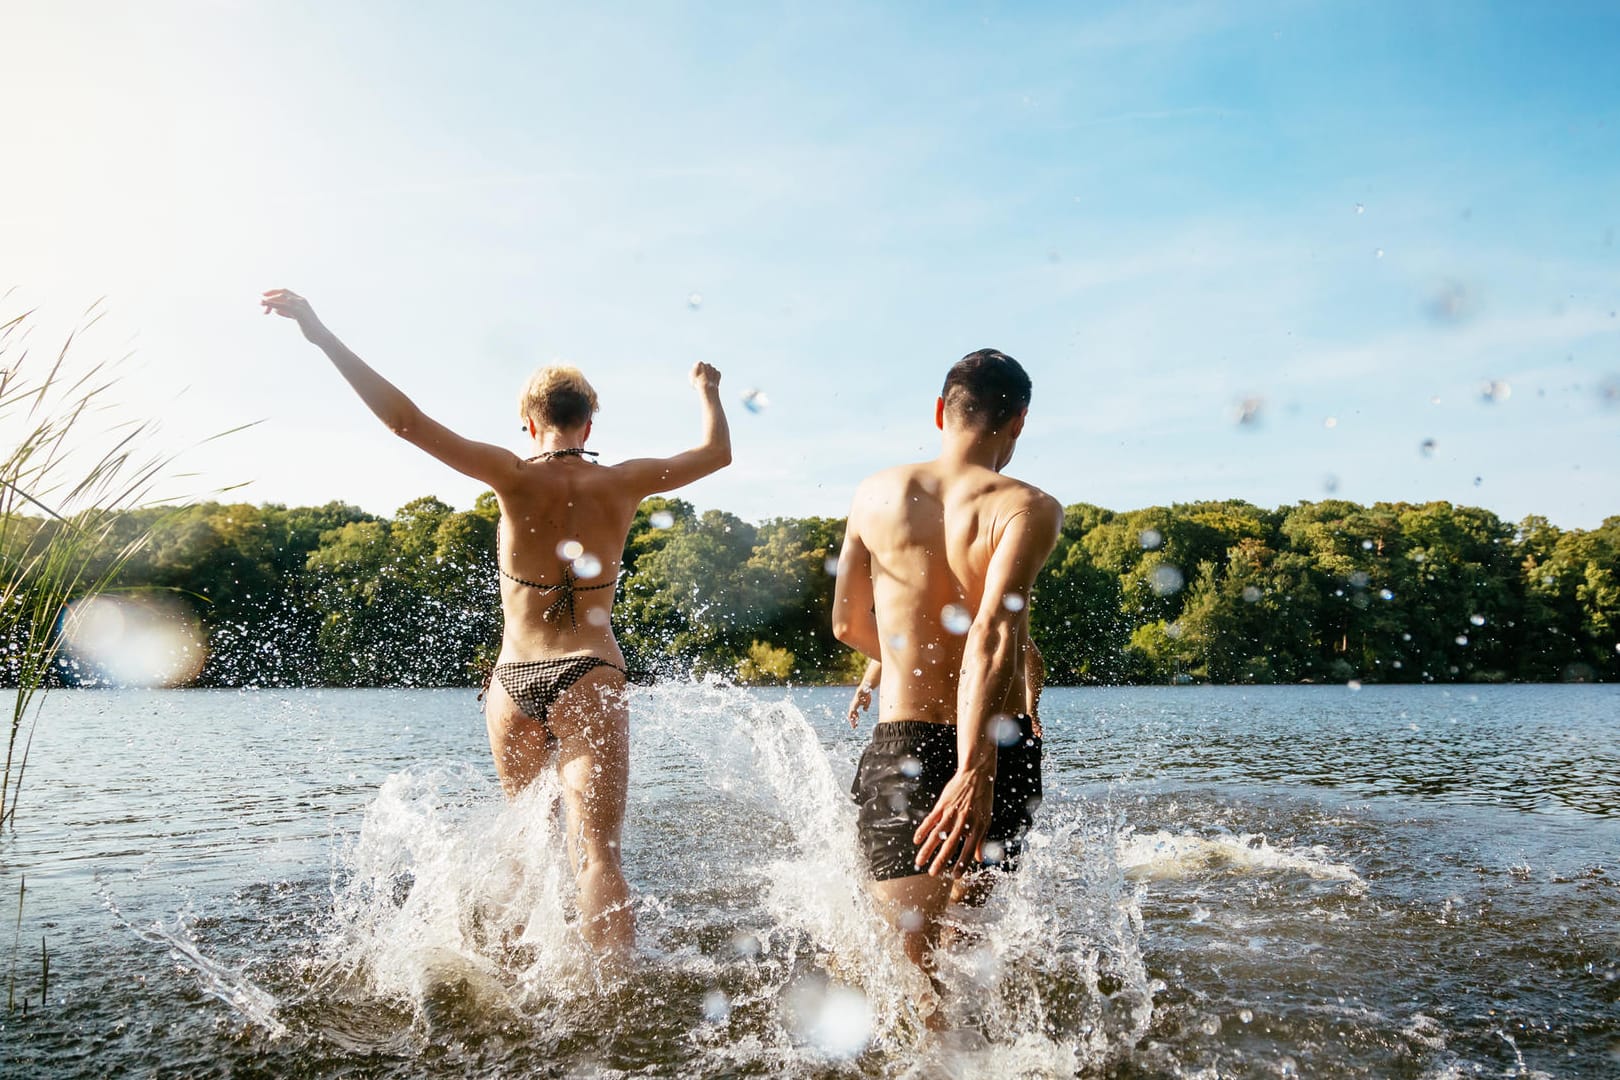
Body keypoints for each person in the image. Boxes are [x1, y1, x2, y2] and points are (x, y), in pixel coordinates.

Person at [261, 289, 731, 958]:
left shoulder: (510, 474)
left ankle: (511, 984)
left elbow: (403, 422)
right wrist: (707, 389)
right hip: (590, 673)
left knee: (526, 844)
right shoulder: (623, 481)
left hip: (512, 683)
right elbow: (717, 453)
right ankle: (614, 1007)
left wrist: (318, 331)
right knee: (596, 855)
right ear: (589, 425)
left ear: (529, 423)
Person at [832, 348, 1060, 998]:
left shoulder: (873, 494)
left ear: (941, 410)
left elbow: (846, 624)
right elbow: (992, 630)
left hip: (903, 742)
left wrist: (898, 658)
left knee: (911, 977)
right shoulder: (1026, 506)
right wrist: (974, 769)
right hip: (998, 746)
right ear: (1018, 421)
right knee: (965, 957)